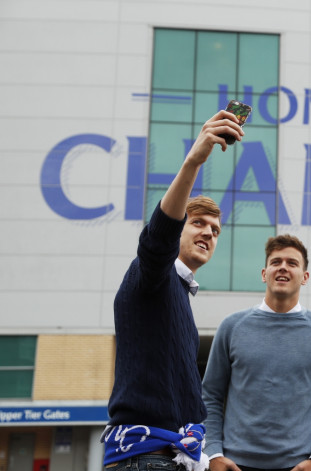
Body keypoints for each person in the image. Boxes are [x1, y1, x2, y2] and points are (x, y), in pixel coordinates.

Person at [101, 109, 244, 471]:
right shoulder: (153, 275)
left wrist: (210, 455)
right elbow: (157, 239)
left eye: (215, 230)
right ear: (179, 227)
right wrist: (193, 162)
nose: (209, 233)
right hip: (147, 459)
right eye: (198, 223)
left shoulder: (179, 293)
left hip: (176, 459)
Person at [201, 234, 311, 471]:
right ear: (264, 273)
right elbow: (210, 394)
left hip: (299, 466)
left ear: (305, 277)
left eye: (292, 263)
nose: (283, 267)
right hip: (234, 464)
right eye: (276, 262)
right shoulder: (232, 326)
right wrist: (213, 452)